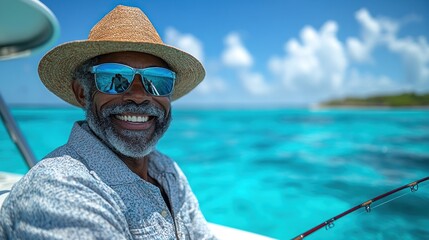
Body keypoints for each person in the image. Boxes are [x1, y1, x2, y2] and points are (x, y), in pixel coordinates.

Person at [0, 5, 216, 240]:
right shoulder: (60, 190)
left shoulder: (165, 169)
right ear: (82, 92)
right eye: (115, 78)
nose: (139, 94)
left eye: (157, 81)